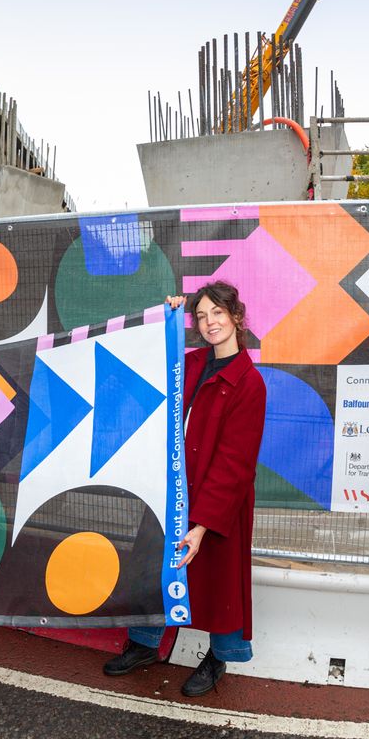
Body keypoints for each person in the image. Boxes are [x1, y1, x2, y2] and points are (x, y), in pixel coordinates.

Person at [102, 281, 267, 697]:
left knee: (219, 583)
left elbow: (235, 464)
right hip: (172, 488)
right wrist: (169, 316)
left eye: (217, 313)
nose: (209, 322)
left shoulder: (250, 384)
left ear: (236, 318)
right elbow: (146, 359)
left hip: (218, 502)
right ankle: (142, 644)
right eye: (201, 315)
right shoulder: (190, 363)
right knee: (151, 566)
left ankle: (220, 656)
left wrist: (202, 524)